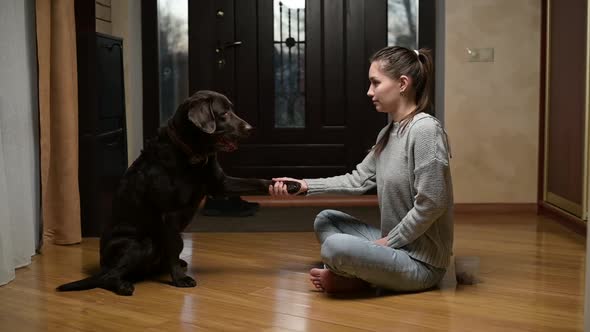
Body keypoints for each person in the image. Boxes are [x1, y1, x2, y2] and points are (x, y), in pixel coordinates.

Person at [269, 46, 453, 294]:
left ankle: (354, 277)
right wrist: (304, 186)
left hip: (421, 263)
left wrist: (388, 242)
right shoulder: (387, 133)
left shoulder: (425, 130)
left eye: (375, 83)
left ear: (402, 84)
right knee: (327, 220)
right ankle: (361, 274)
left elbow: (432, 204)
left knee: (335, 247)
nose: (369, 92)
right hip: (395, 248)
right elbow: (358, 180)